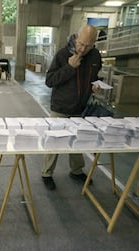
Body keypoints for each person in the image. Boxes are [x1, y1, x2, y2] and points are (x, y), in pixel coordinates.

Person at [41, 25, 102, 190]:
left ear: (94, 43)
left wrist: (95, 85)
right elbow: (50, 80)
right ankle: (47, 173)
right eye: (81, 43)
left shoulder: (95, 56)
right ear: (76, 37)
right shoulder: (63, 54)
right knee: (55, 140)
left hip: (80, 108)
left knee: (78, 140)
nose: (82, 48)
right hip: (60, 107)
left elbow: (94, 76)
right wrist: (69, 68)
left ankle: (76, 171)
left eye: (88, 46)